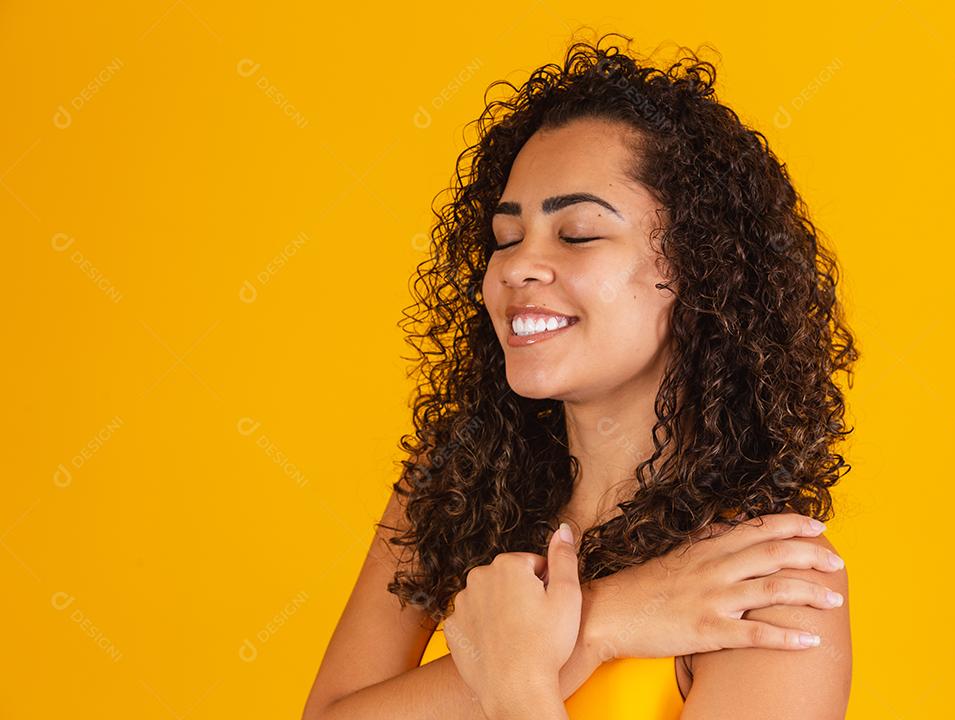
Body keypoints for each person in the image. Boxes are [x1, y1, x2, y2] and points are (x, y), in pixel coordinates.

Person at [302, 31, 858, 720]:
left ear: (697, 268)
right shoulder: (447, 489)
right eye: (506, 239)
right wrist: (602, 621)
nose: (516, 268)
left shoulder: (761, 581)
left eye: (578, 234)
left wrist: (519, 680)